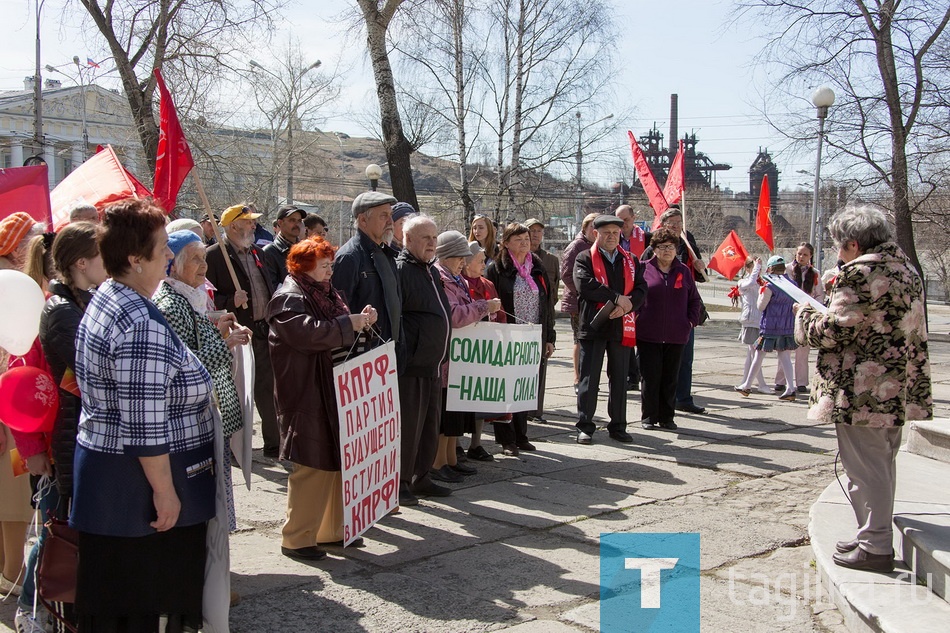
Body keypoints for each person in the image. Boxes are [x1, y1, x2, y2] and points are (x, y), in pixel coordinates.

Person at [72, 198, 216, 631]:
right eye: (162, 248)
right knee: (136, 604)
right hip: (136, 489)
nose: (170, 255)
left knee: (120, 601)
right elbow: (144, 422)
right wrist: (165, 492)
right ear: (135, 260)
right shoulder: (139, 323)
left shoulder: (110, 296)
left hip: (114, 476)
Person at [796, 206, 931, 573]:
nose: (839, 253)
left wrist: (804, 316)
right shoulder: (906, 269)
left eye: (840, 247)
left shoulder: (860, 273)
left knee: (866, 468)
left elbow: (835, 330)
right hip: (896, 385)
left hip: (862, 390)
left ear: (854, 244)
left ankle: (875, 546)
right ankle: (872, 533)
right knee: (881, 464)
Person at [12, 222, 108, 632]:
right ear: (81, 262)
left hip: (67, 436)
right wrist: (31, 445)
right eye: (104, 253)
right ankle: (33, 607)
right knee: (56, 531)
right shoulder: (56, 310)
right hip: (58, 441)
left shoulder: (85, 301)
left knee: (63, 528)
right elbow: (26, 381)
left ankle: (57, 604)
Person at [267, 237, 377, 560]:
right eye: (324, 264)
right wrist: (348, 323)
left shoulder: (327, 293)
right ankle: (297, 537)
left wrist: (361, 322)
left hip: (334, 387)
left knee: (335, 460)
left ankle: (332, 530)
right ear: (303, 266)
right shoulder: (287, 297)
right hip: (306, 392)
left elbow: (336, 327)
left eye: (330, 263)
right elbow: (308, 333)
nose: (331, 269)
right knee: (311, 464)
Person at [154, 230, 252, 532]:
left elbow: (194, 342)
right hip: (191, 416)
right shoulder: (170, 305)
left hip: (208, 412)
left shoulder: (186, 298)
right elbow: (183, 364)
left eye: (203, 258)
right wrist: (226, 344)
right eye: (195, 259)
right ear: (173, 265)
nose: (203, 266)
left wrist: (219, 330)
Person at [205, 203, 280, 458]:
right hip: (235, 334)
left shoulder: (259, 253)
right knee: (237, 392)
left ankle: (274, 443)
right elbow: (207, 300)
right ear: (234, 225)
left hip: (262, 330)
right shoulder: (214, 255)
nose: (253, 225)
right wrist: (229, 302)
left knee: (268, 389)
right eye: (248, 221)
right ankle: (236, 449)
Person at [432, 231, 502, 482]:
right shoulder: (441, 278)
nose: (463, 261)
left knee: (454, 416)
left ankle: (450, 459)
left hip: (457, 360)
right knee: (444, 417)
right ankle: (438, 463)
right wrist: (483, 307)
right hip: (446, 358)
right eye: (459, 257)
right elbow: (453, 315)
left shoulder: (455, 278)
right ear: (447, 255)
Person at [573, 215, 647, 444]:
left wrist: (627, 305)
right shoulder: (584, 258)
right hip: (593, 327)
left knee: (619, 379)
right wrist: (617, 298)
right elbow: (586, 286)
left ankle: (618, 425)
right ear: (596, 234)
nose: (611, 237)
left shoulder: (631, 260)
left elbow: (641, 289)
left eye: (616, 232)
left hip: (620, 327)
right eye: (606, 233)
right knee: (589, 379)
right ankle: (585, 426)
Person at [396, 216, 453, 503]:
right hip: (412, 365)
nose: (432, 243)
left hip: (433, 363)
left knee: (430, 426)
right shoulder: (402, 269)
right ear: (407, 240)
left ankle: (422, 476)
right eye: (425, 238)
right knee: (409, 427)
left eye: (434, 237)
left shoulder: (430, 270)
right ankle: (401, 482)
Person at [485, 223, 555, 456]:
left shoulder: (537, 266)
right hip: (507, 336)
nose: (525, 242)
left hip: (533, 336)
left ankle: (521, 435)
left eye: (526, 238)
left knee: (525, 386)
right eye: (518, 239)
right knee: (505, 388)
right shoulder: (497, 269)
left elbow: (547, 304)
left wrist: (549, 337)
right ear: (505, 243)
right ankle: (506, 439)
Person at [641, 207, 707, 414]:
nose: (677, 226)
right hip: (652, 325)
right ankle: (652, 412)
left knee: (683, 361)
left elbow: (699, 282)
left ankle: (683, 398)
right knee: (653, 371)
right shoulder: (648, 257)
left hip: (680, 320)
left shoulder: (688, 245)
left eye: (679, 222)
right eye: (672, 223)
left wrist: (690, 320)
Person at [332, 191, 402, 346]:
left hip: (390, 352)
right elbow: (340, 314)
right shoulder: (349, 258)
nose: (391, 221)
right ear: (363, 220)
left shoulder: (387, 254)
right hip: (365, 356)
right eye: (384, 216)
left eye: (390, 215)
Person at [461, 240, 506, 462]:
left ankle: (476, 444)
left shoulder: (487, 284)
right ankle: (456, 445)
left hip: (486, 350)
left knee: (480, 396)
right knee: (460, 397)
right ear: (467, 263)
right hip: (465, 351)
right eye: (480, 260)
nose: (484, 264)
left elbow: (502, 314)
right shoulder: (458, 283)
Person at [735, 255, 798, 401]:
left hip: (769, 326)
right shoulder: (792, 284)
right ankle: (790, 387)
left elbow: (761, 306)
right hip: (786, 326)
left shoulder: (769, 285)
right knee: (784, 356)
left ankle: (747, 385)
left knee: (758, 354)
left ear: (770, 268)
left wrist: (760, 296)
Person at [525, 218, 559, 424]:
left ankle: (536, 411)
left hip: (545, 316)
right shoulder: (518, 258)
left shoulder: (551, 260)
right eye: (531, 231)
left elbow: (553, 291)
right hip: (522, 320)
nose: (535, 234)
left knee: (540, 364)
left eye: (539, 231)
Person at [776, 242, 822, 393]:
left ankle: (801, 382)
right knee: (785, 349)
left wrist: (813, 309)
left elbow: (819, 294)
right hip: (787, 312)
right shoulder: (787, 269)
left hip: (805, 314)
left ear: (810, 256)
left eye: (805, 255)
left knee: (803, 350)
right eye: (799, 254)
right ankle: (780, 381)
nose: (801, 257)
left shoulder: (814, 273)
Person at [560, 213, 598, 393]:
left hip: (597, 303)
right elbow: (567, 275)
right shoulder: (576, 246)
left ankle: (590, 377)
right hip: (578, 303)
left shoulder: (600, 246)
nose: (596, 231)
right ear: (585, 228)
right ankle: (578, 378)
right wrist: (584, 293)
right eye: (592, 227)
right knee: (579, 340)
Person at [615, 205, 648, 390]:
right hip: (622, 295)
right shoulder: (612, 238)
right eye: (619, 221)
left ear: (634, 218)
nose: (622, 225)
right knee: (625, 337)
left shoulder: (646, 238)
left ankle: (640, 373)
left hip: (641, 293)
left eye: (626, 220)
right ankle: (631, 375)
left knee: (641, 338)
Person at [733, 257, 770, 395]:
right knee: (756, 353)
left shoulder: (761, 282)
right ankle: (761, 384)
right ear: (747, 268)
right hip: (750, 320)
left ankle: (745, 380)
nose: (758, 270)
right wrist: (756, 268)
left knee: (752, 354)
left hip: (759, 320)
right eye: (754, 267)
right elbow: (750, 281)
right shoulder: (743, 282)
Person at [263, 205, 307, 287]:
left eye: (299, 221)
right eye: (292, 220)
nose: (297, 224)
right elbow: (272, 288)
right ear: (280, 223)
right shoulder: (269, 252)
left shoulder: (305, 250)